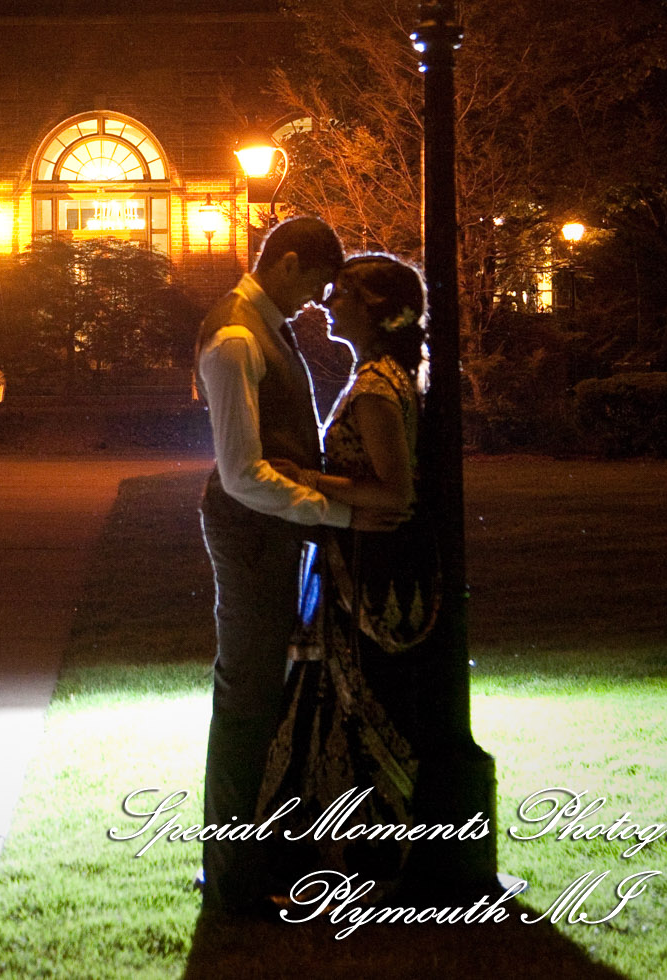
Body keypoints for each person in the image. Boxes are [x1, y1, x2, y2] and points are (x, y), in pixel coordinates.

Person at [195, 219, 411, 918]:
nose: (322, 300)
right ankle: (230, 879)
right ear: (288, 265)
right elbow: (242, 476)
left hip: (278, 534)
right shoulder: (235, 337)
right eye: (320, 282)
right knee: (247, 698)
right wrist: (340, 514)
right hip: (253, 533)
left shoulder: (267, 323)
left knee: (267, 695)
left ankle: (256, 861)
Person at [257, 252, 439, 888]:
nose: (327, 303)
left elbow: (395, 492)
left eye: (343, 295)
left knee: (353, 707)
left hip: (366, 572)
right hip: (350, 565)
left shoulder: (373, 390)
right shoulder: (382, 377)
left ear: (379, 310)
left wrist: (302, 478)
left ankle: (358, 862)